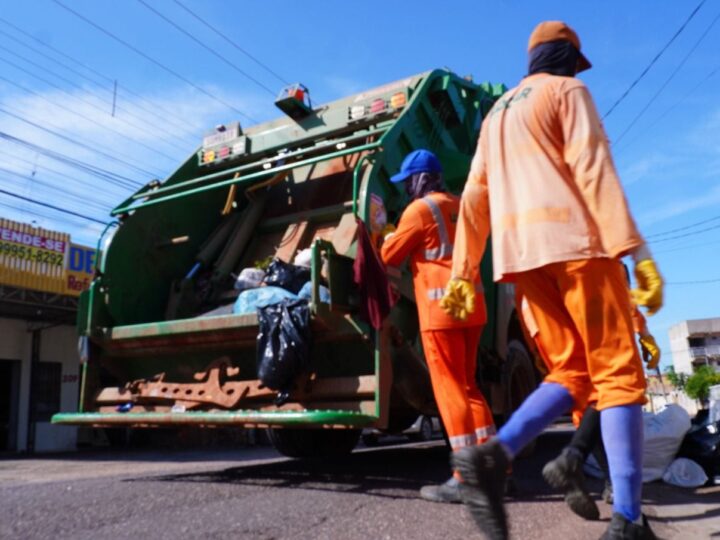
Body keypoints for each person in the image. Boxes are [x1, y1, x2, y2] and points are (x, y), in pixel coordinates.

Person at [440, 21, 663, 540]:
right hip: (580, 246)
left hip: (522, 260)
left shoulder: (495, 114)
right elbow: (593, 167)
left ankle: (494, 454)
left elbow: (475, 197)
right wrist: (637, 251)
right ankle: (628, 519)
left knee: (572, 372)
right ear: (566, 58)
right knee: (618, 377)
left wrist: (464, 271)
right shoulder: (569, 91)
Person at [380, 149, 496, 504]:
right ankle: (495, 469)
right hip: (471, 307)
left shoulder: (418, 211)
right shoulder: (463, 205)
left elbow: (389, 257)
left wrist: (385, 235)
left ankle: (465, 477)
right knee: (470, 387)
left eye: (408, 182)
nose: (407, 189)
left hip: (440, 310)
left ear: (421, 179)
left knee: (450, 392)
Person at [537, 292, 661, 521]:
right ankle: (580, 464)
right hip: (600, 349)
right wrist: (645, 335)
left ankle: (589, 472)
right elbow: (622, 301)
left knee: (587, 414)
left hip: (558, 334)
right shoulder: (606, 274)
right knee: (612, 399)